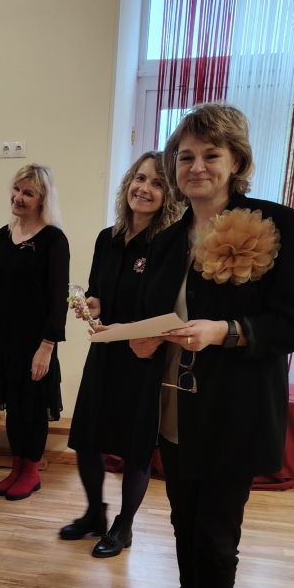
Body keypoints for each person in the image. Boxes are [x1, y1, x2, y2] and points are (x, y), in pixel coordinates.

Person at [131, 104, 294, 588]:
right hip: (174, 404)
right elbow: (156, 317)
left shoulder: (279, 224)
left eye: (211, 155)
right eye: (185, 156)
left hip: (235, 410)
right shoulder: (167, 238)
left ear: (236, 161)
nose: (197, 166)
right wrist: (137, 337)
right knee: (182, 520)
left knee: (217, 534)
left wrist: (226, 332)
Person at [61, 152, 180, 557]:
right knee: (86, 438)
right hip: (105, 352)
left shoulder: (168, 245)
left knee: (135, 448)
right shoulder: (106, 238)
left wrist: (139, 333)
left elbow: (167, 310)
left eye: (157, 183)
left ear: (169, 196)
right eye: (140, 178)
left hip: (144, 359)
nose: (144, 188)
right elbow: (98, 293)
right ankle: (94, 513)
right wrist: (91, 305)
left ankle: (124, 526)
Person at [0, 164, 69, 500]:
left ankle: (31, 472)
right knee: (14, 408)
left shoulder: (54, 240)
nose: (18, 197)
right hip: (4, 340)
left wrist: (47, 346)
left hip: (36, 343)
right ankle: (16, 466)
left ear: (42, 199)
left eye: (28, 193)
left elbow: (58, 299)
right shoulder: (2, 235)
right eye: (16, 189)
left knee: (32, 407)